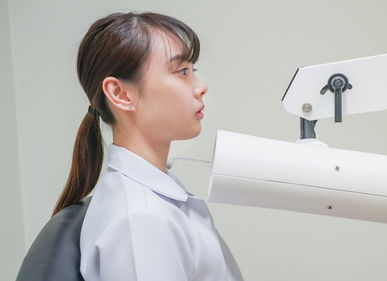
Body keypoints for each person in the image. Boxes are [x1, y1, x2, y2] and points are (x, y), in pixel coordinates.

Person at [52, 11, 244, 281]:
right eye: (182, 72)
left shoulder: (153, 198)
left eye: (193, 70)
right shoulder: (141, 221)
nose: (201, 87)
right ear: (120, 94)